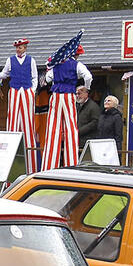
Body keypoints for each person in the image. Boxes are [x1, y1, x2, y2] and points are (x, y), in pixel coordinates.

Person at [42, 42, 93, 170]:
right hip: (69, 95)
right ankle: (71, 164)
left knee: (53, 129)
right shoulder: (77, 64)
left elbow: (47, 79)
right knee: (71, 128)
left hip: (55, 95)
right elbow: (88, 76)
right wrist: (87, 88)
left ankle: (49, 165)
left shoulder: (57, 63)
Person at [0, 38, 39, 171]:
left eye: (20, 47)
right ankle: (9, 161)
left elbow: (35, 77)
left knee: (28, 123)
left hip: (26, 91)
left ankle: (31, 165)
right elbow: (4, 74)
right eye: (17, 47)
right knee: (12, 122)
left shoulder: (31, 60)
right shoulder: (10, 60)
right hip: (14, 91)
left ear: (25, 48)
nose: (18, 49)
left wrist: (32, 90)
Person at [75, 85, 100, 155]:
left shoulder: (93, 106)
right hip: (76, 141)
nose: (77, 96)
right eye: (76, 94)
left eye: (79, 93)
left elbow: (95, 123)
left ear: (86, 94)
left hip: (87, 141)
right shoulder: (76, 106)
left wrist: (79, 131)